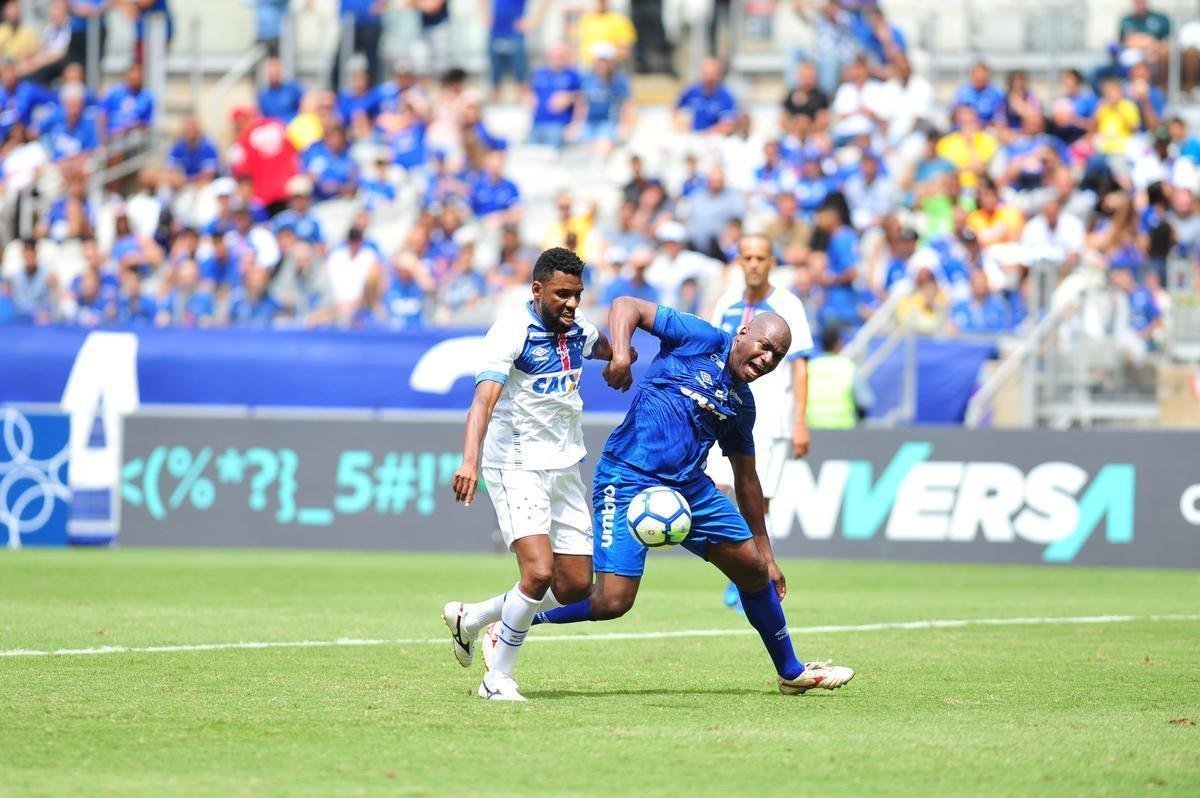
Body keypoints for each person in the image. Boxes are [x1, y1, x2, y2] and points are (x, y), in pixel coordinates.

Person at [493, 296, 854, 696]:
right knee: (613, 602)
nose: (769, 358)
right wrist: (621, 357)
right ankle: (514, 624)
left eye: (779, 355)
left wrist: (768, 556)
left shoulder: (741, 405)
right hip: (627, 477)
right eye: (765, 345)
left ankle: (791, 670)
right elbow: (627, 305)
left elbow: (747, 479)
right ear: (743, 334)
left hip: (689, 489)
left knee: (752, 570)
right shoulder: (701, 337)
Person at [443, 247, 620, 701]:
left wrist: (620, 358)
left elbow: (610, 347)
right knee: (538, 573)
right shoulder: (511, 331)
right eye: (563, 294)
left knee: (577, 585)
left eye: (578, 294)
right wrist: (469, 460)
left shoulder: (577, 330)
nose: (572, 303)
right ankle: (496, 679)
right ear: (538, 289)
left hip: (565, 470)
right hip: (516, 466)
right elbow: (481, 401)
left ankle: (474, 616)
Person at [706, 235, 814, 612]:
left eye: (760, 257)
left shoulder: (787, 305)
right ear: (739, 261)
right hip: (728, 410)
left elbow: (800, 364)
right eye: (747, 257)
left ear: (772, 262)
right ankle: (743, 570)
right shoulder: (727, 302)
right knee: (719, 488)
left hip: (770, 416)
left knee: (758, 498)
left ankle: (752, 576)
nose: (753, 264)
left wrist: (800, 421)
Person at [806, 324, 872, 429]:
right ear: (838, 343)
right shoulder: (848, 366)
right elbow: (864, 401)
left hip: (813, 429)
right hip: (844, 429)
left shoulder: (810, 367)